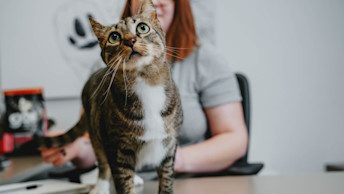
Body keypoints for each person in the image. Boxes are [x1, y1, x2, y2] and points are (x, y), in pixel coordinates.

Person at [40, 0, 248, 176]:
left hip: (187, 181)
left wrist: (178, 159)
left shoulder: (205, 60)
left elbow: (235, 139)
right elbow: (94, 144)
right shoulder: (104, 67)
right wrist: (75, 148)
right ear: (131, 4)